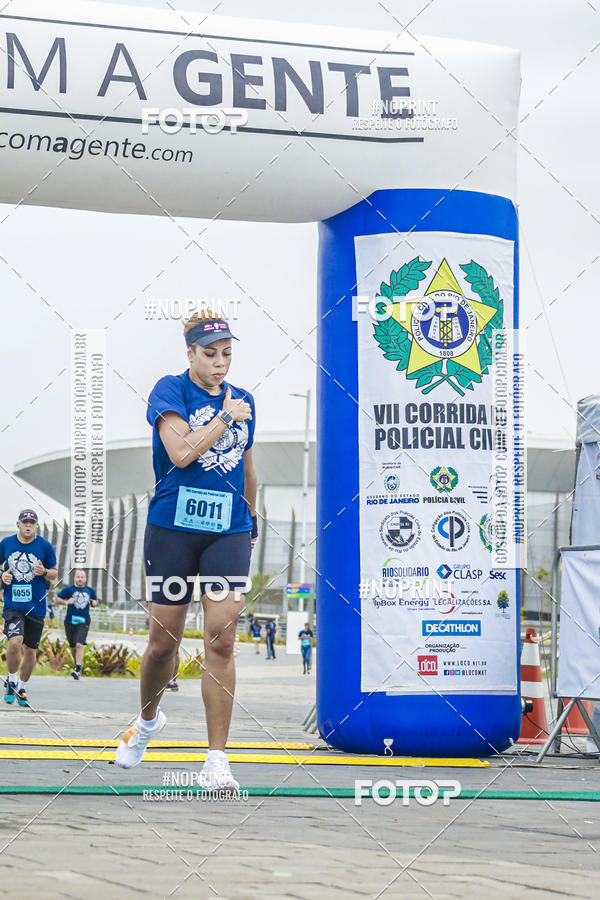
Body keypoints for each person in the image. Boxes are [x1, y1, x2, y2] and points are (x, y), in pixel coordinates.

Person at [115, 310, 258, 793]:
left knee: (221, 639)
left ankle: (216, 760)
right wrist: (223, 417)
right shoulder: (170, 390)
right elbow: (180, 453)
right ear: (190, 354)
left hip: (227, 529)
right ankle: (149, 720)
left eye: (227, 355)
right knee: (163, 643)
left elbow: (247, 468)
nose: (220, 364)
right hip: (173, 527)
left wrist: (251, 523)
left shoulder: (244, 401)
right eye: (210, 354)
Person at [1, 510, 58, 707]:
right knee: (15, 641)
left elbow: (54, 573)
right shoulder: (6, 543)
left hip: (36, 606)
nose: (28, 526)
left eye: (31, 523)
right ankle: (11, 680)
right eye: (24, 522)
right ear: (18, 524)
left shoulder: (44, 546)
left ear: (36, 526)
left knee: (31, 650)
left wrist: (44, 572)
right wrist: (2, 577)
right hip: (13, 605)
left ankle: (22, 687)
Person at [56, 570, 98, 680]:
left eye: (82, 577)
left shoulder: (90, 591)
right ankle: (78, 664)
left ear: (85, 579)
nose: (80, 579)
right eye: (78, 577)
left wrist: (93, 603)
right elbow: (57, 599)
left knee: (79, 644)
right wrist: (66, 602)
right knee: (73, 647)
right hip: (70, 621)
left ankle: (78, 669)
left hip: (84, 621)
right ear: (74, 578)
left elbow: (95, 602)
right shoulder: (68, 589)